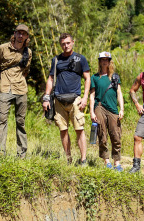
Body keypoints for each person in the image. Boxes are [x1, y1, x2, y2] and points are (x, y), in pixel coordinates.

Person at [42, 33, 90, 165]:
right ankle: (69, 159)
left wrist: (85, 97)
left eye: (68, 43)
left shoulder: (81, 59)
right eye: (63, 44)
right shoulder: (56, 60)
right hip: (58, 100)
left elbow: (87, 78)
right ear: (60, 45)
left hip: (75, 99)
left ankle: (83, 160)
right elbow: (51, 79)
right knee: (63, 130)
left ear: (73, 42)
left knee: (79, 129)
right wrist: (46, 98)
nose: (66, 45)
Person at [0, 24, 32, 158]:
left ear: (27, 36)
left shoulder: (28, 52)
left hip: (21, 88)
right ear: (14, 34)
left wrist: (17, 79)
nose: (21, 36)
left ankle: (21, 153)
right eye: (19, 33)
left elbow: (26, 71)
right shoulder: (2, 48)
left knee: (20, 121)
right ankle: (0, 152)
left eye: (24, 34)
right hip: (5, 88)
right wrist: (4, 80)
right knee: (2, 120)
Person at [89, 52, 124, 171]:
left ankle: (117, 163)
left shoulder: (115, 77)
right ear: (99, 62)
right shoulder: (95, 77)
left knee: (116, 135)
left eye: (107, 59)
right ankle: (106, 161)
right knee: (102, 133)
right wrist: (91, 112)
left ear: (110, 62)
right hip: (99, 107)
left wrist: (122, 109)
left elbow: (119, 93)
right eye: (102, 59)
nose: (104, 62)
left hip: (113, 109)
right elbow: (92, 95)